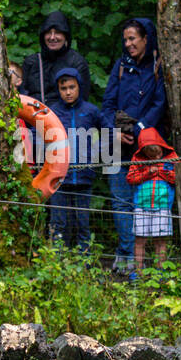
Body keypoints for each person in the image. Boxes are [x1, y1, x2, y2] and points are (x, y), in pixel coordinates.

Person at [99, 17, 167, 273]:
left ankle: (147, 263)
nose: (128, 44)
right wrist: (113, 131)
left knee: (146, 202)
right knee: (120, 201)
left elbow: (160, 104)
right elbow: (106, 106)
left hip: (146, 144)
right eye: (125, 40)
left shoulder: (159, 65)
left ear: (146, 38)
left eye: (132, 39)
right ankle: (126, 254)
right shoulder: (120, 66)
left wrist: (139, 132)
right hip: (116, 143)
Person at [47, 68, 106, 249]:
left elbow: (109, 132)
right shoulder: (52, 111)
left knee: (82, 222)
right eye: (63, 88)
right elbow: (38, 134)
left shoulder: (91, 111)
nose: (68, 92)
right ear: (58, 90)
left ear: (79, 87)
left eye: (72, 87)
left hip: (83, 176)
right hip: (58, 178)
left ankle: (84, 261)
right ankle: (57, 261)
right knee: (58, 222)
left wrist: (96, 153)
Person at [127, 127, 178, 278]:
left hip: (162, 206)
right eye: (150, 155)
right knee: (139, 239)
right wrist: (147, 173)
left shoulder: (172, 157)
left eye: (157, 153)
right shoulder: (137, 160)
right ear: (144, 151)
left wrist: (163, 173)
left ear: (161, 146)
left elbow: (178, 178)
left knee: (160, 240)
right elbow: (130, 178)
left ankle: (160, 271)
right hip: (141, 206)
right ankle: (138, 271)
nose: (155, 156)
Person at [22, 10, 93, 106]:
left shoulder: (76, 62)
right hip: (38, 118)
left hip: (64, 118)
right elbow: (22, 95)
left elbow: (82, 100)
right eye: (48, 33)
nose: (52, 37)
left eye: (57, 33)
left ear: (65, 36)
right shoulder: (32, 62)